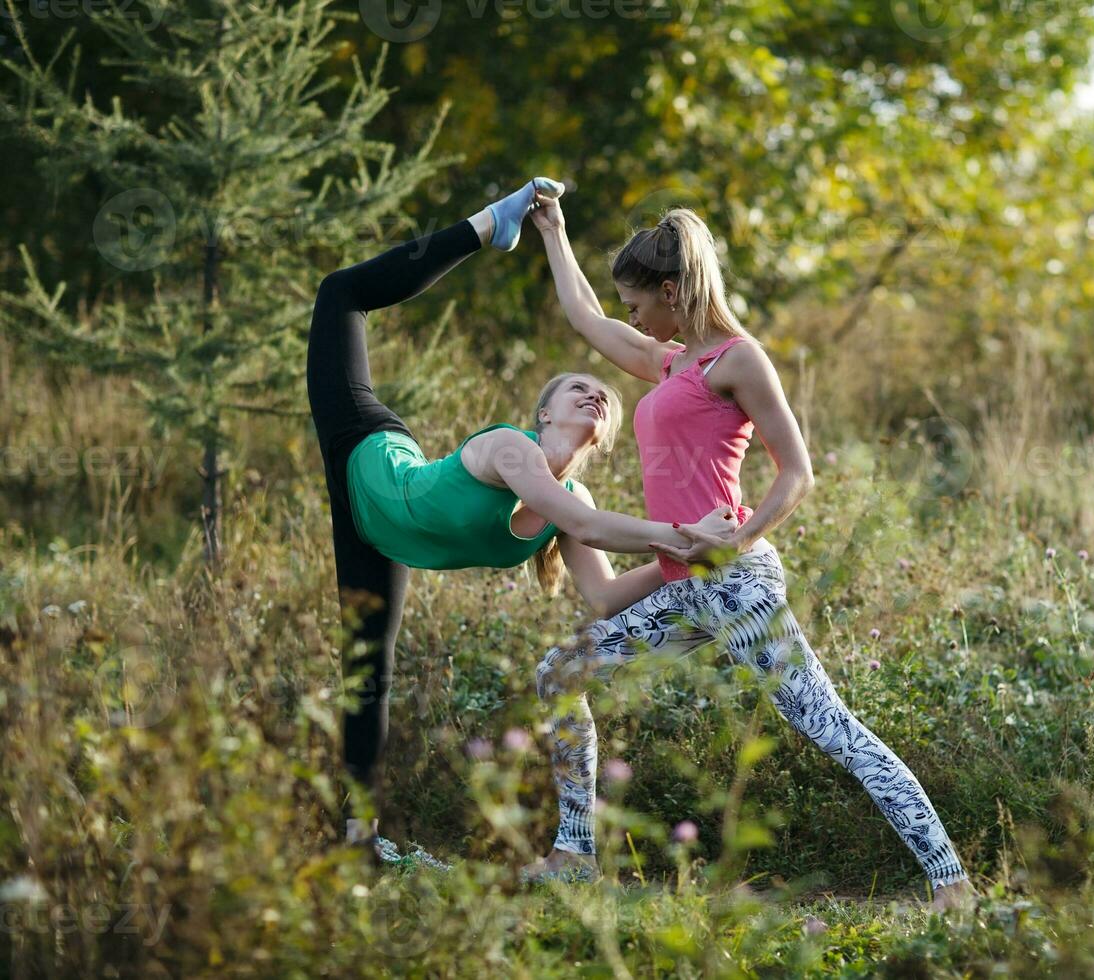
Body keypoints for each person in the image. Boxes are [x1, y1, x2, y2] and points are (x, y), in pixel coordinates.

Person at [524, 193, 978, 910]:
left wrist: (736, 538)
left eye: (639, 304)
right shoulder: (670, 364)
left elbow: (796, 471)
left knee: (834, 730)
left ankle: (951, 882)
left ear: (672, 293)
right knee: (560, 671)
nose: (633, 318)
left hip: (736, 586)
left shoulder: (736, 361)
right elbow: (586, 316)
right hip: (684, 593)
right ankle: (575, 853)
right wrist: (554, 230)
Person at [306, 178, 734, 860]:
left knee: (369, 670)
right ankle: (485, 225)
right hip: (366, 453)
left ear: (605, 435)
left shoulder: (575, 508)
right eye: (576, 387)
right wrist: (682, 535)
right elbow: (592, 527)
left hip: (382, 535)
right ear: (544, 414)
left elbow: (603, 595)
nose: (594, 391)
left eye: (602, 394)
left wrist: (685, 560)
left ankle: (359, 843)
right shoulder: (512, 450)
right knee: (340, 293)